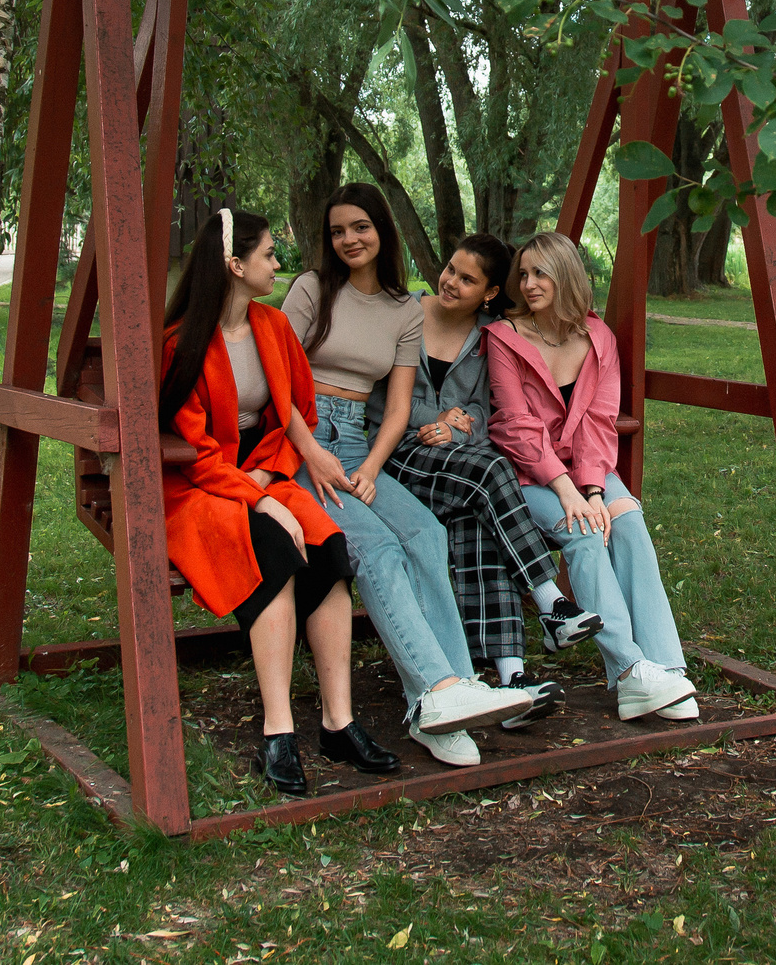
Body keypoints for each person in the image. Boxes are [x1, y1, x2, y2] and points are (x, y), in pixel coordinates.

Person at [282, 183, 536, 765]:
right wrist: (311, 454)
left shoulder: (403, 309)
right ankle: (436, 693)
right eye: (338, 230)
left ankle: (452, 693)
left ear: (383, 231)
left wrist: (369, 466)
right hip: (298, 441)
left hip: (356, 445)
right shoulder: (310, 290)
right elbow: (275, 382)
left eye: (360, 227)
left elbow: (396, 409)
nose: (348, 239)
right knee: (375, 549)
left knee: (427, 533)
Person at [159, 209, 398, 797]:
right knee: (272, 547)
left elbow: (300, 416)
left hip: (265, 473)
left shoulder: (273, 327)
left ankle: (338, 722)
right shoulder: (182, 343)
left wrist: (268, 476)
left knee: (330, 547)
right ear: (235, 265)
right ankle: (278, 730)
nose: (276, 263)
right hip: (201, 488)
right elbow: (192, 449)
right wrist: (258, 499)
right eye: (267, 254)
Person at [385, 231, 603, 717]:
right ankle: (549, 599)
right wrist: (435, 421)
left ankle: (511, 677)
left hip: (456, 463)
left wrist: (462, 427)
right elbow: (384, 399)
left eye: (467, 279)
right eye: (449, 270)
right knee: (491, 472)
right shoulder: (405, 315)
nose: (450, 282)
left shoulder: (488, 337)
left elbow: (489, 412)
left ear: (487, 292)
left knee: (477, 526)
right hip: (399, 454)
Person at [485, 230, 700, 723]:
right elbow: (517, 427)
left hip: (589, 470)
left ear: (567, 276)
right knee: (583, 528)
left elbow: (600, 420)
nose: (530, 283)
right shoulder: (505, 338)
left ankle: (665, 667)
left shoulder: (598, 338)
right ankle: (628, 671)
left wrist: (596, 490)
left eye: (542, 273)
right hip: (527, 474)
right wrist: (570, 493)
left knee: (627, 521)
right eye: (524, 273)